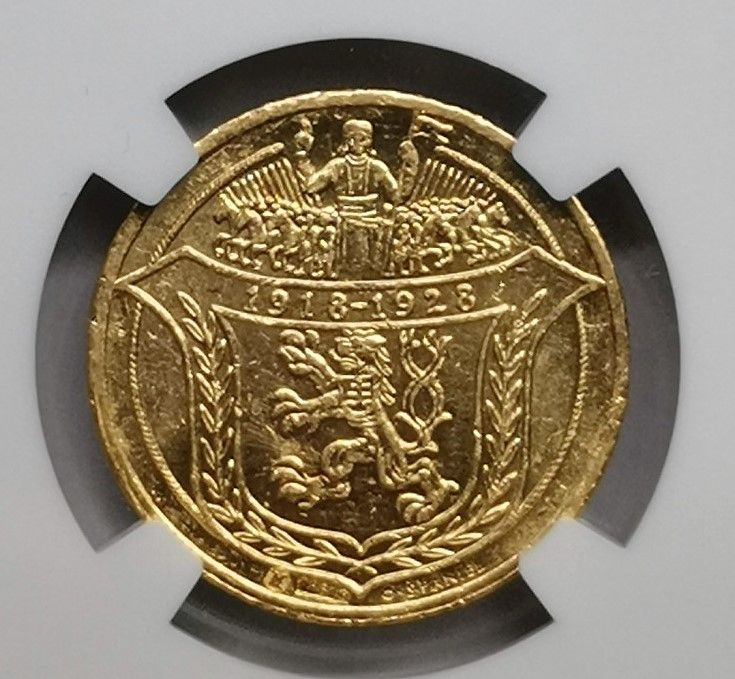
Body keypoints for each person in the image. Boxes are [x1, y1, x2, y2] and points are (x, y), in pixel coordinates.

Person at [305, 119, 398, 272]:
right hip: (350, 218)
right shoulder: (342, 166)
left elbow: (310, 186)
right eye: (353, 138)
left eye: (362, 139)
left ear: (369, 141)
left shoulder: (340, 165)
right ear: (346, 141)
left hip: (358, 218)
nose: (357, 143)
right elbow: (395, 193)